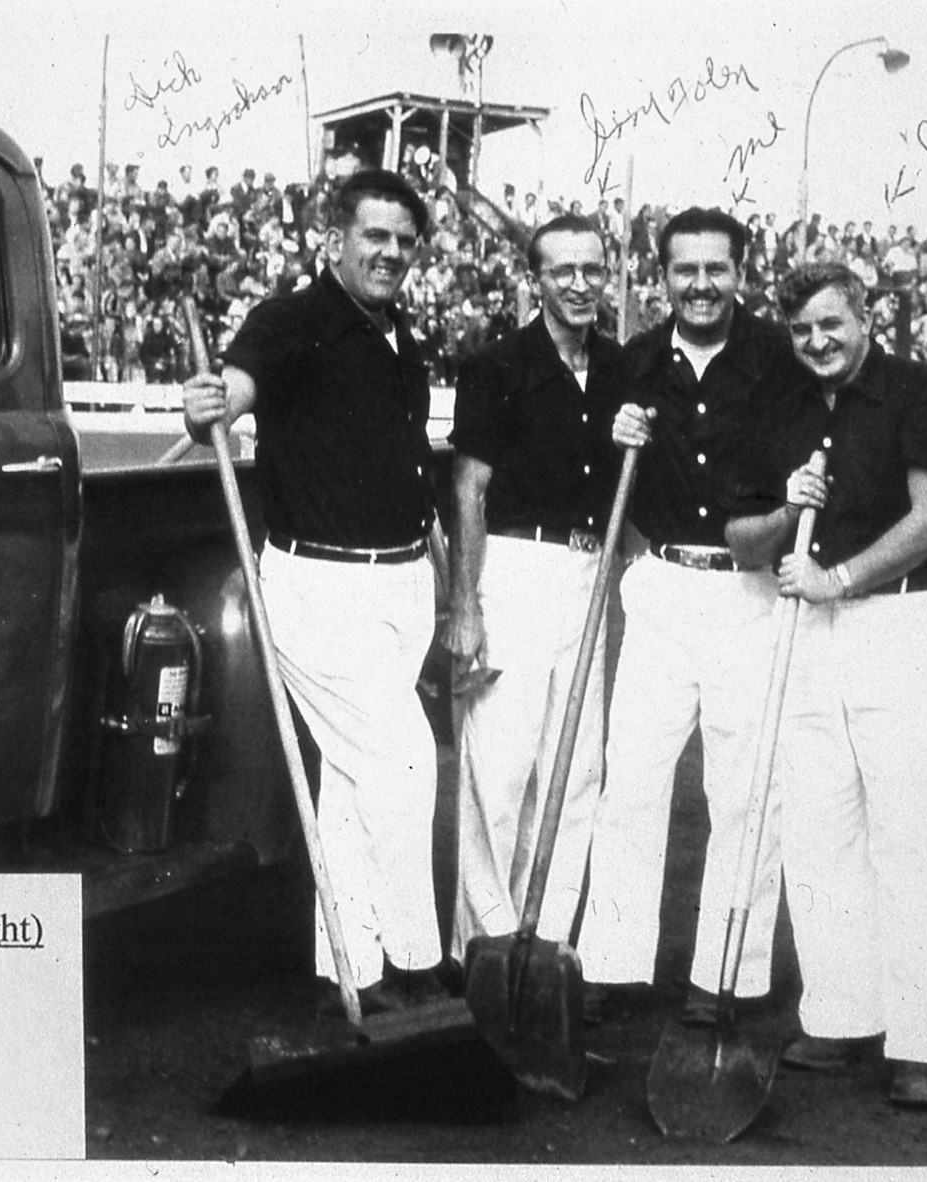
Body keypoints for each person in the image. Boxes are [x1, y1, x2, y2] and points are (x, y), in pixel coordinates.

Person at [182, 169, 448, 1016]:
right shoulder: (290, 319)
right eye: (376, 236)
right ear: (335, 240)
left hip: (402, 583)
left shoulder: (400, 335)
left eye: (405, 242)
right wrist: (212, 403)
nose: (391, 253)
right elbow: (235, 390)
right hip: (320, 586)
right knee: (405, 764)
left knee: (353, 777)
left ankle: (352, 971)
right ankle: (416, 963)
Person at [761, 261, 927, 1109]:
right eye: (802, 330)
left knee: (916, 840)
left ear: (865, 318)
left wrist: (841, 579)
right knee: (819, 830)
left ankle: (919, 1041)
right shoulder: (790, 405)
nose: (817, 341)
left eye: (832, 324)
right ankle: (841, 1014)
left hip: (909, 623)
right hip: (813, 629)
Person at [577, 207, 811, 1025]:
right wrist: (615, 433)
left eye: (717, 269)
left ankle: (725, 976)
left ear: (740, 274)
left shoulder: (780, 360)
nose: (701, 285)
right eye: (686, 270)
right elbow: (598, 469)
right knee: (632, 779)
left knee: (746, 789)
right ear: (663, 276)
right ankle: (610, 962)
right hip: (663, 582)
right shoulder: (634, 362)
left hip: (751, 589)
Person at [444, 215, 629, 964]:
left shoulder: (620, 368)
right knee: (500, 770)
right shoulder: (497, 366)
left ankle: (545, 945)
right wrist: (465, 605)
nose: (580, 285)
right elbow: (469, 489)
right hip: (515, 569)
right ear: (537, 280)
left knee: (575, 770)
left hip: (591, 573)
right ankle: (485, 948)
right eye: (563, 271)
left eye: (592, 270)